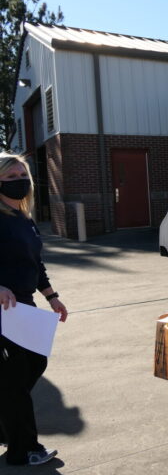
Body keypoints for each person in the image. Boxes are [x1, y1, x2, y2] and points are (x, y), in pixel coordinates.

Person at [0, 152, 68, 466]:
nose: (19, 182)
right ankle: (23, 449)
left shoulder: (23, 217)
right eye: (10, 177)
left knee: (35, 363)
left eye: (21, 175)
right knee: (14, 381)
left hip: (22, 305)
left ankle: (8, 420)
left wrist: (51, 296)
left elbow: (35, 263)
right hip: (3, 307)